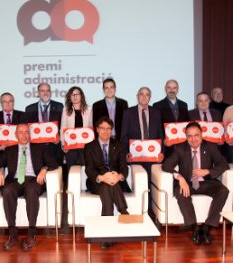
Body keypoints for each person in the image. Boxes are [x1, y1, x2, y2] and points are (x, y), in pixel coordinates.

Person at [0, 124, 58, 251]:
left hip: (33, 180)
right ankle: (13, 234)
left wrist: (44, 169)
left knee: (32, 191)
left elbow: (53, 163)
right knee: (7, 190)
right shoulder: (10, 150)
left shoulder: (40, 148)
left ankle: (31, 234)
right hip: (15, 181)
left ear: (30, 134)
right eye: (21, 132)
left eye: (27, 132)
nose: (24, 135)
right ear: (16, 135)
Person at [162, 122, 229, 245]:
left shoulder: (210, 147)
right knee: (180, 193)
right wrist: (179, 177)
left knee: (223, 191)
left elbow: (224, 164)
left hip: (206, 182)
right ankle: (195, 229)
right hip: (187, 183)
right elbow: (166, 165)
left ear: (202, 134)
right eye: (190, 136)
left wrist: (207, 171)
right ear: (186, 136)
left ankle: (207, 227)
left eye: (196, 135)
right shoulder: (179, 148)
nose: (193, 139)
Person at [84, 117, 130, 249]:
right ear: (97, 130)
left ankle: (106, 235)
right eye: (102, 128)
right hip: (97, 181)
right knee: (105, 185)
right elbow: (89, 169)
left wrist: (119, 176)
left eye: (108, 128)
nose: (105, 131)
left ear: (111, 130)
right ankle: (123, 211)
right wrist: (102, 177)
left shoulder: (119, 145)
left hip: (114, 180)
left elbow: (124, 167)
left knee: (107, 188)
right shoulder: (89, 146)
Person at [120, 87, 163, 218]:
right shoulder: (128, 112)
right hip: (135, 156)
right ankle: (138, 209)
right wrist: (126, 153)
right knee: (138, 182)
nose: (144, 97)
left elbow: (160, 134)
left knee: (151, 182)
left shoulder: (156, 112)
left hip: (152, 156)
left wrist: (162, 152)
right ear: (137, 96)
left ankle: (149, 211)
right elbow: (124, 136)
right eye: (141, 94)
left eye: (147, 95)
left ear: (150, 97)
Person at [24, 83, 64, 166]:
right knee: (39, 173)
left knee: (55, 173)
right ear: (38, 93)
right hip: (37, 148)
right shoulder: (29, 109)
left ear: (50, 92)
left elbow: (63, 125)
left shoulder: (59, 106)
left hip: (54, 146)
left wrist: (60, 137)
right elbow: (27, 128)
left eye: (47, 90)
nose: (45, 93)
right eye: (42, 91)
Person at [153, 79, 190, 157]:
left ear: (178, 89)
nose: (172, 90)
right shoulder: (157, 105)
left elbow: (187, 124)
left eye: (174, 88)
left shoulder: (184, 105)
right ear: (165, 89)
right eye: (169, 88)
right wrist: (163, 140)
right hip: (167, 146)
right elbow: (156, 126)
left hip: (182, 145)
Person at [60, 87, 93, 171]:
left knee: (86, 169)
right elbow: (63, 127)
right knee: (71, 170)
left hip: (85, 146)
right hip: (71, 146)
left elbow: (91, 127)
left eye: (77, 94)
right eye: (72, 95)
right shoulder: (66, 110)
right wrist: (63, 144)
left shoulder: (89, 109)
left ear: (81, 95)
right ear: (69, 98)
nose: (75, 96)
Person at [0, 93, 25, 162]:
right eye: (5, 101)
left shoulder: (22, 115)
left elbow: (26, 133)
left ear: (13, 103)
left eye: (10, 101)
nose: (8, 104)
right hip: (0, 152)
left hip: (18, 151)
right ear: (1, 103)